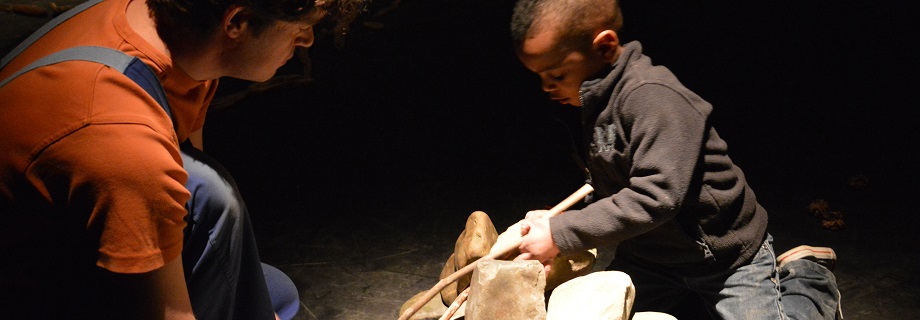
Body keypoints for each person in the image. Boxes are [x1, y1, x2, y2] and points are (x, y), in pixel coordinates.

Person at [0, 0, 356, 318]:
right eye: (301, 26)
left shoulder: (181, 36)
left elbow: (189, 193)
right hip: (29, 287)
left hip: (73, 240)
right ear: (237, 22)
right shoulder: (126, 144)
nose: (308, 39)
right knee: (212, 199)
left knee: (272, 291)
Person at [508, 0, 843, 319]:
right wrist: (557, 221)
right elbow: (612, 182)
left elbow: (655, 198)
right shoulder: (596, 100)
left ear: (605, 47)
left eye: (557, 76)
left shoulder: (653, 98)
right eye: (540, 78)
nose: (547, 88)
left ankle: (808, 279)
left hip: (723, 261)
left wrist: (560, 233)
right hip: (650, 260)